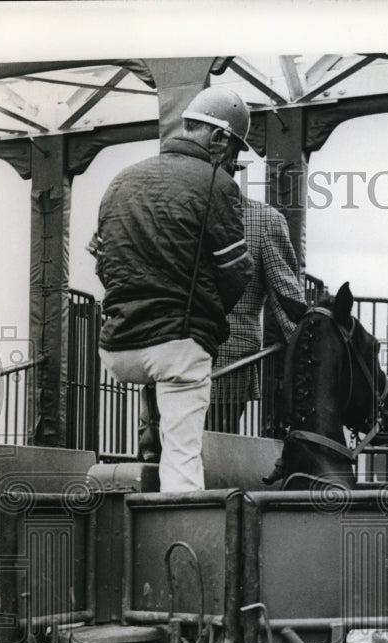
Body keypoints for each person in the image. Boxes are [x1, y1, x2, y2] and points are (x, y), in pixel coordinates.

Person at [95, 88, 253, 492]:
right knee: (183, 462)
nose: (233, 162)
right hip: (177, 345)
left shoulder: (121, 181)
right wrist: (208, 320)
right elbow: (238, 273)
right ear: (218, 138)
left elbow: (108, 265)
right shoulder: (216, 183)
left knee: (162, 379)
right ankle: (185, 547)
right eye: (235, 149)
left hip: (117, 349)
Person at [207, 183, 307, 434]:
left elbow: (286, 297)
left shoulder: (264, 219)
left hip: (226, 364)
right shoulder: (262, 219)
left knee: (207, 447)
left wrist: (308, 349)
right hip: (203, 359)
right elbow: (287, 298)